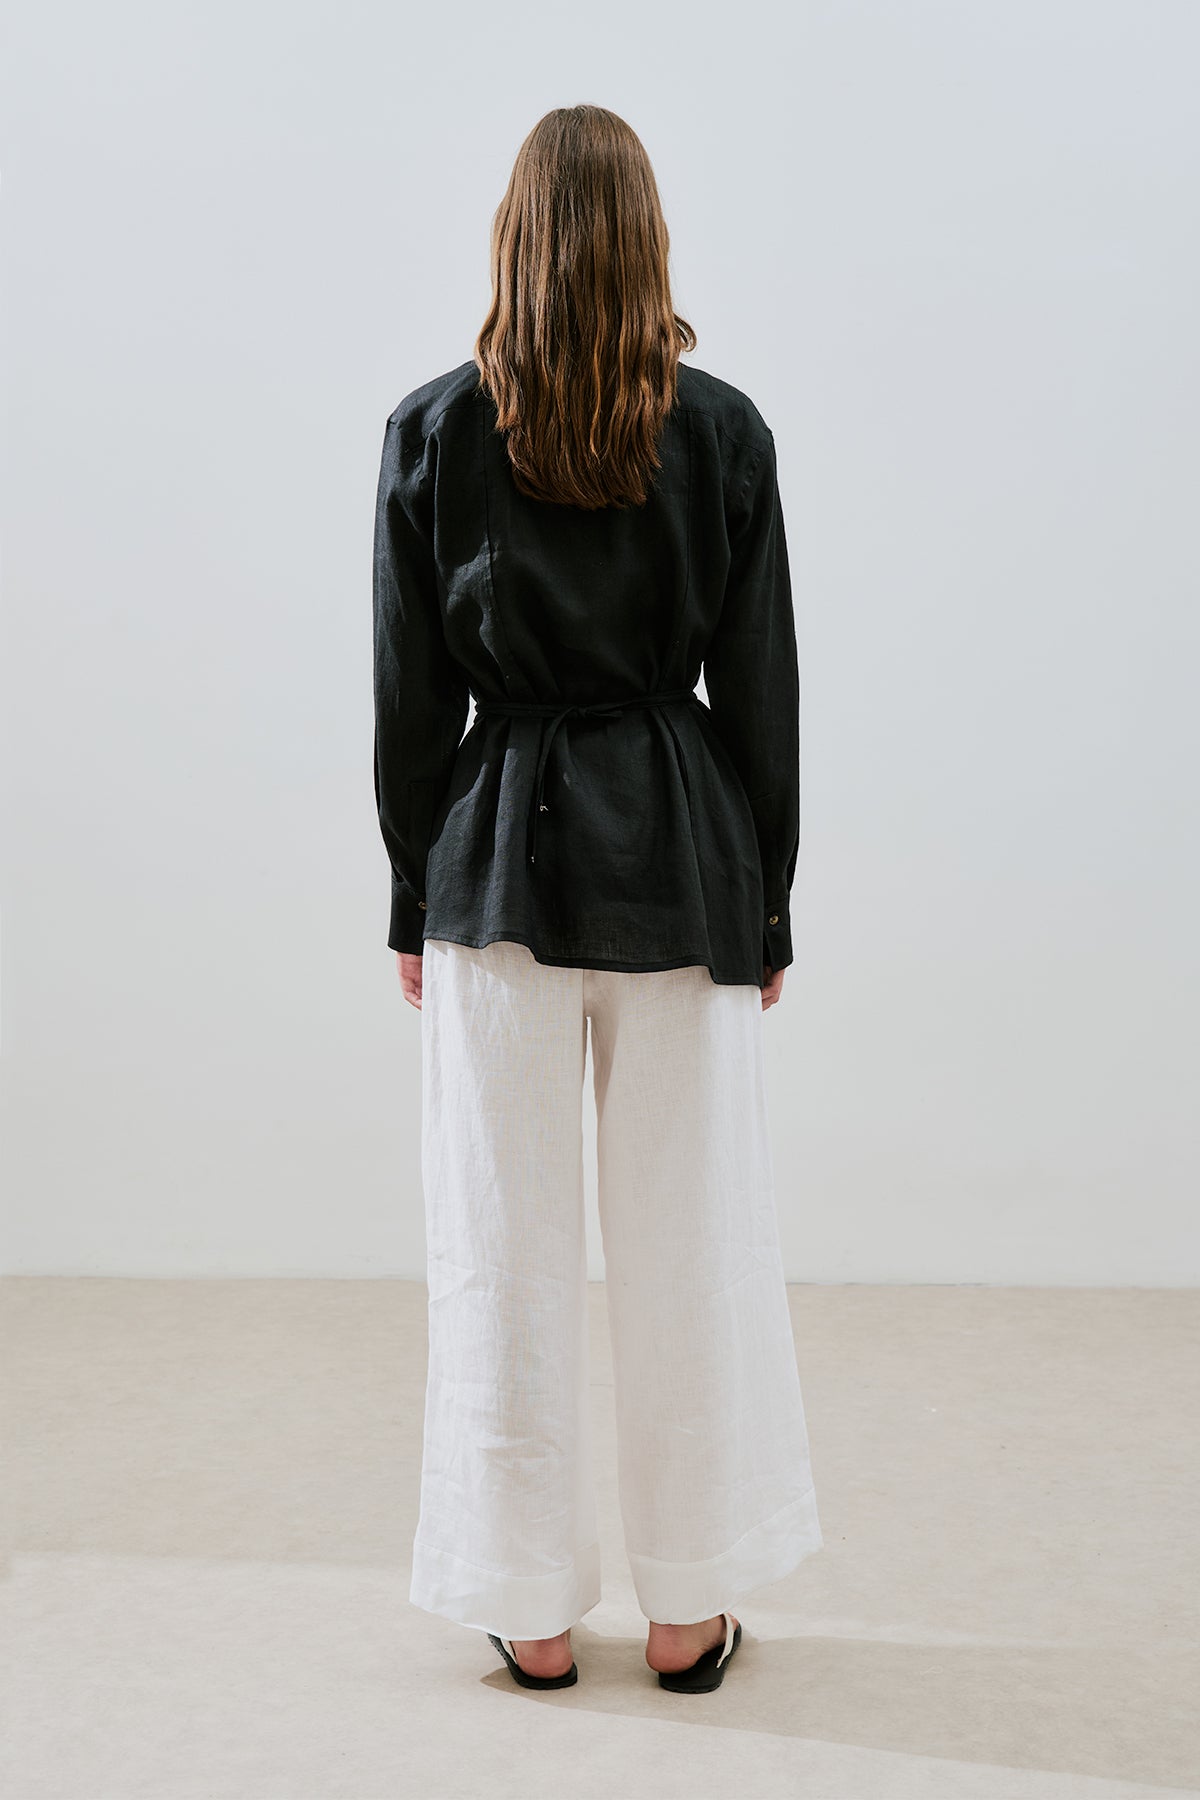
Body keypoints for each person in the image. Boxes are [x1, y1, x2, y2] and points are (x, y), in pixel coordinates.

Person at [372, 103, 822, 1695]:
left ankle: (533, 1612)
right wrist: (766, 909)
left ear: (515, 240)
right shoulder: (724, 433)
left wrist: (411, 893)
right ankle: (689, 1611)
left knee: (500, 1246)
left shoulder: (434, 430)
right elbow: (759, 688)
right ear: (648, 240)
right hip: (683, 862)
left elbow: (410, 700)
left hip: (494, 865)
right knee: (693, 1242)